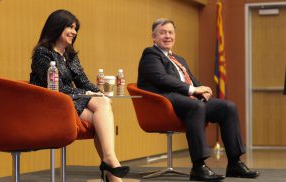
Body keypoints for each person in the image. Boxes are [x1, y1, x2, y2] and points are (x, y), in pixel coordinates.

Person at [137, 18, 259, 181]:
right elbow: (162, 79)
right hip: (164, 102)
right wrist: (193, 90)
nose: (168, 36)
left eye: (171, 32)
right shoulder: (150, 55)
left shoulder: (179, 59)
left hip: (185, 100)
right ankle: (198, 167)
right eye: (163, 32)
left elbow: (192, 81)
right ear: (154, 37)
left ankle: (234, 163)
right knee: (197, 107)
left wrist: (203, 90)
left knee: (228, 107)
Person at [29, 10, 129, 182]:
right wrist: (90, 94)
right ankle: (111, 164)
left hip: (71, 101)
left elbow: (84, 81)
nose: (74, 32)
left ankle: (110, 166)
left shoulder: (69, 55)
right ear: (56, 26)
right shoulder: (42, 53)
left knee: (100, 114)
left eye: (75, 28)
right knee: (101, 112)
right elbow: (57, 89)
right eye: (70, 26)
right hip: (52, 104)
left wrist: (100, 94)